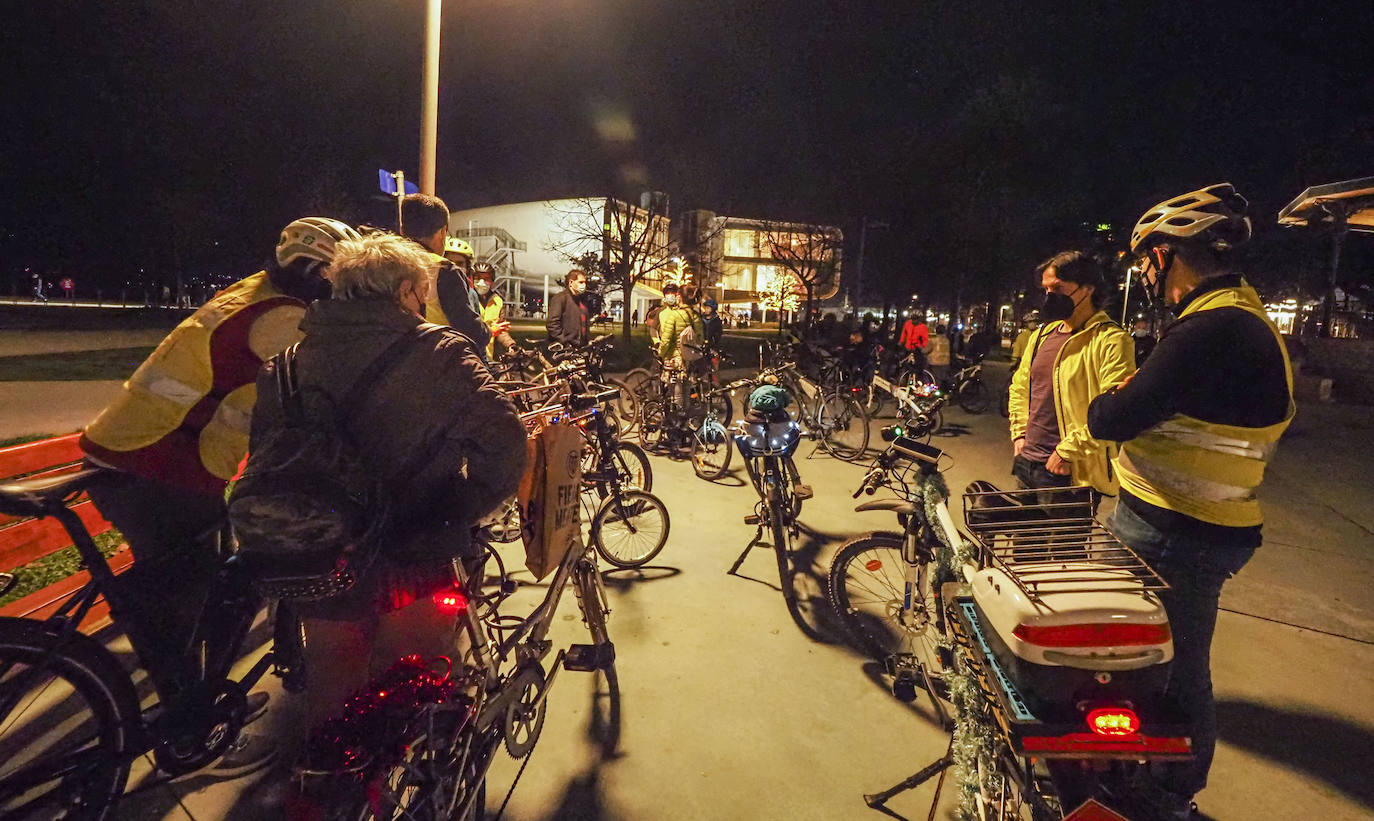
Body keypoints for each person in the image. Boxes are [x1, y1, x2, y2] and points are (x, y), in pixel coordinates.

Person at [249, 231, 527, 806]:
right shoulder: (443, 354)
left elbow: (267, 459)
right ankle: (418, 792)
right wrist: (461, 513)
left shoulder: (286, 365)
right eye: (422, 293)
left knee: (332, 683)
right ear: (405, 291)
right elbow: (507, 446)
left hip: (320, 555)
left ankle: (328, 793)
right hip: (415, 553)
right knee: (414, 682)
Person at [80, 216, 360, 772]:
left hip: (134, 453)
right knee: (192, 598)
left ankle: (190, 704)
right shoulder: (283, 319)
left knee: (203, 586)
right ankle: (189, 732)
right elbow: (318, 398)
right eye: (336, 277)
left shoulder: (253, 292)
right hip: (158, 464)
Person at [1088, 183, 1291, 820]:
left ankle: (1168, 797)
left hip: (1176, 530)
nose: (1147, 276)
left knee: (1173, 668)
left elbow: (1112, 416)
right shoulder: (1238, 317)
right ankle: (1144, 776)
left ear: (1170, 255)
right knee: (1157, 656)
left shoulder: (1210, 329)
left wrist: (1113, 399)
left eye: (1148, 260)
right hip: (1193, 524)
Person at [1007, 250, 1134, 496]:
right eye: (1046, 290)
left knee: (1065, 536)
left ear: (1087, 289)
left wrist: (1066, 452)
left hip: (1069, 473)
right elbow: (1020, 387)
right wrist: (1019, 434)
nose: (1049, 297)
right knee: (1021, 535)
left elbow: (1114, 411)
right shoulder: (1041, 336)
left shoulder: (1111, 340)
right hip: (1027, 462)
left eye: (1058, 288)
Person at [397, 193, 490, 354]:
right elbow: (471, 330)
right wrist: (486, 332)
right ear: (442, 232)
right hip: (433, 364)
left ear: (402, 229)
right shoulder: (443, 270)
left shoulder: (380, 263)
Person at [470, 262, 516, 358]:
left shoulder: (497, 301)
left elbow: (501, 330)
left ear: (492, 282)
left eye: (486, 278)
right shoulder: (466, 298)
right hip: (469, 355)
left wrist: (510, 345)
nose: (481, 282)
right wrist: (491, 331)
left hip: (487, 357)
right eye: (478, 278)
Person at [546, 268, 591, 348]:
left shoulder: (582, 301)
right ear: (571, 282)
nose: (584, 285)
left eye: (585, 282)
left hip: (581, 347)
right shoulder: (560, 298)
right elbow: (552, 323)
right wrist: (563, 341)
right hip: (566, 348)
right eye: (580, 282)